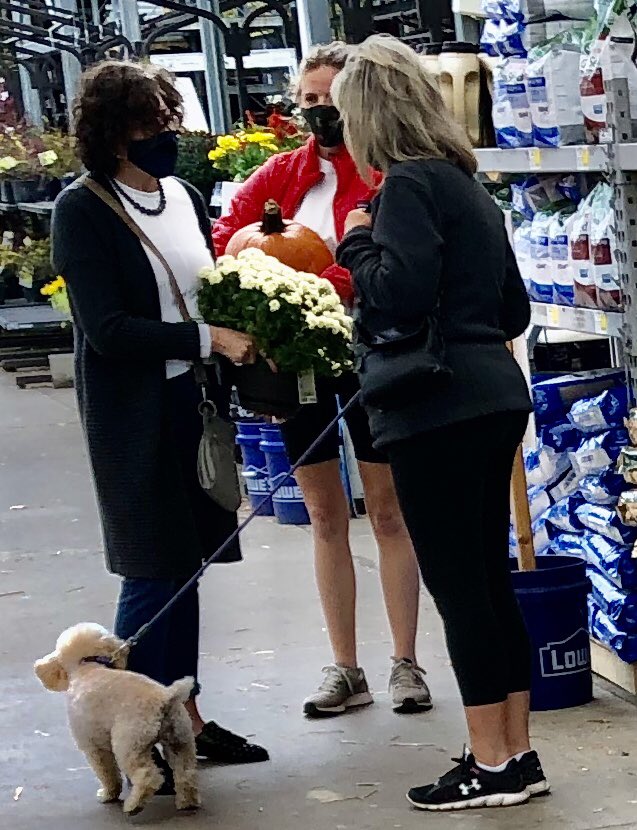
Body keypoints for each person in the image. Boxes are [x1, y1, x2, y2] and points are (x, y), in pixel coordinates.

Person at [334, 35, 546, 811]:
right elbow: (512, 308)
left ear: (367, 117)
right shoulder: (467, 185)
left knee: (459, 590)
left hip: (434, 407)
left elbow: (397, 293)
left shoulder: (405, 188)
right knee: (488, 583)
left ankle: (489, 763)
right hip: (492, 394)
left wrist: (356, 242)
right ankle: (514, 752)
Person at [51, 61, 269, 791]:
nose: (166, 134)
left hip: (192, 406)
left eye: (169, 119)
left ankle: (185, 723)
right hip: (132, 417)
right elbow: (108, 329)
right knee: (152, 571)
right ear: (113, 133)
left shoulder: (182, 196)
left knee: (188, 567)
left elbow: (204, 289)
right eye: (150, 123)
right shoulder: (82, 210)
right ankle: (134, 736)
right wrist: (209, 340)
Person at [214, 42, 432, 718]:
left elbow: (389, 266)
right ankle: (345, 666)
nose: (318, 112)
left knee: (388, 511)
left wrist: (323, 282)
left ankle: (405, 661)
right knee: (322, 514)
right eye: (308, 100)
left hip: (372, 356)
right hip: (298, 367)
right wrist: (266, 291)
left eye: (329, 99)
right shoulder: (281, 176)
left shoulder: (385, 177)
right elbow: (227, 240)